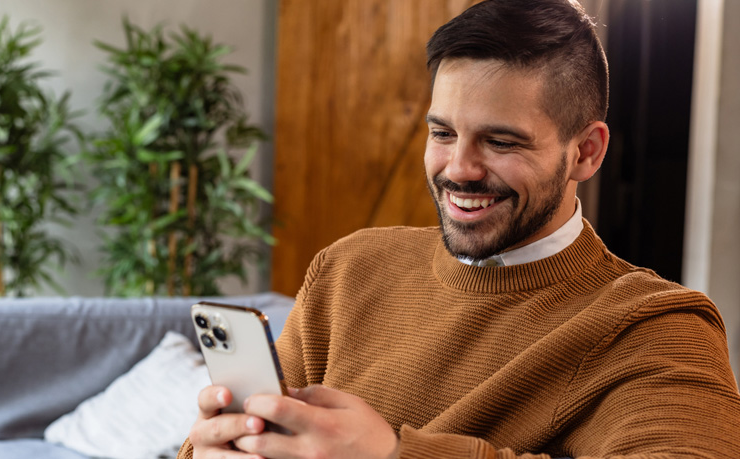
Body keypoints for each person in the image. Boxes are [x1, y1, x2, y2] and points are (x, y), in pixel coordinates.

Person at [179, 0, 740, 457]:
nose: (459, 170)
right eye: (443, 133)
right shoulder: (348, 267)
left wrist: (396, 454)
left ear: (586, 153)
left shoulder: (653, 327)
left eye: (501, 141)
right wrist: (212, 448)